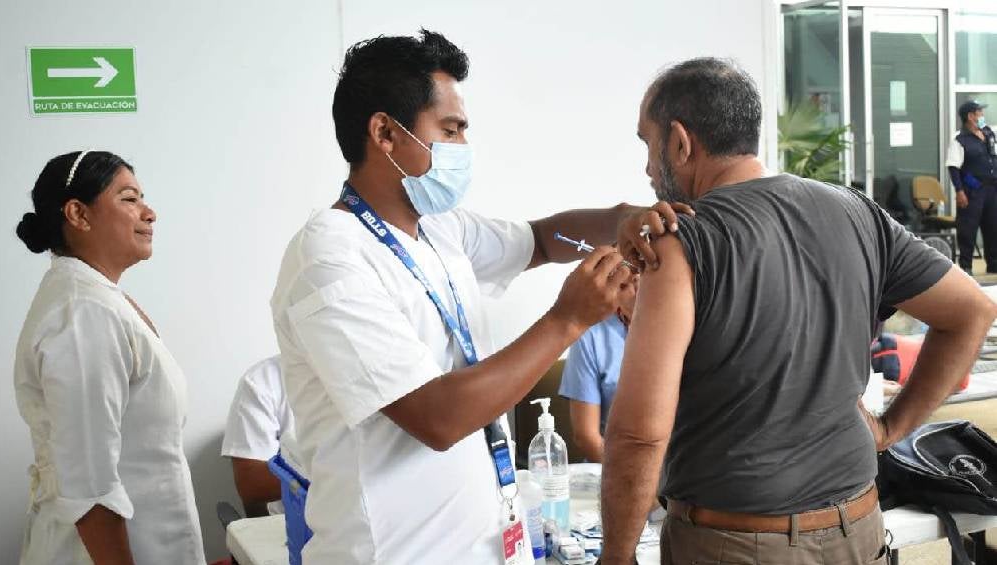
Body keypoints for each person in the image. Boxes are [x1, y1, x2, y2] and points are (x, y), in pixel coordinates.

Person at [270, 30, 682, 564]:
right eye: (450, 130)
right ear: (385, 133)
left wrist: (619, 219)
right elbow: (436, 417)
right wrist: (567, 320)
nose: (462, 147)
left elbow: (543, 239)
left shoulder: (439, 229)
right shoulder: (329, 257)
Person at [598, 58, 997, 565]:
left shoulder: (681, 244)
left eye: (647, 144)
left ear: (680, 142)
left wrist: (616, 555)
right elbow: (972, 311)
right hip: (858, 532)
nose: (648, 170)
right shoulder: (858, 213)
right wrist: (891, 428)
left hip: (735, 545)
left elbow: (638, 434)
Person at [14, 151, 205, 564]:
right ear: (78, 214)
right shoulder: (83, 313)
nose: (149, 213)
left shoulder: (98, 299)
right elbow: (90, 487)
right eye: (129, 198)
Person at [558, 279, 637, 462]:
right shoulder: (590, 335)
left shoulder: (687, 323)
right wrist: (629, 474)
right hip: (613, 464)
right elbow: (586, 437)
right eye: (627, 283)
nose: (638, 281)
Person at [221, 355, 295, 517]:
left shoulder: (352, 379)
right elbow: (251, 485)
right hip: (295, 522)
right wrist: (328, 473)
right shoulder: (262, 381)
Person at [947, 99, 997, 273]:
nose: (982, 115)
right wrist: (959, 191)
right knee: (968, 229)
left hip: (992, 189)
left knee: (993, 227)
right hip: (972, 190)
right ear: (970, 116)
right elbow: (953, 167)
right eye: (979, 112)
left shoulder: (989, 134)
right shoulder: (959, 139)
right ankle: (966, 266)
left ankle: (993, 264)